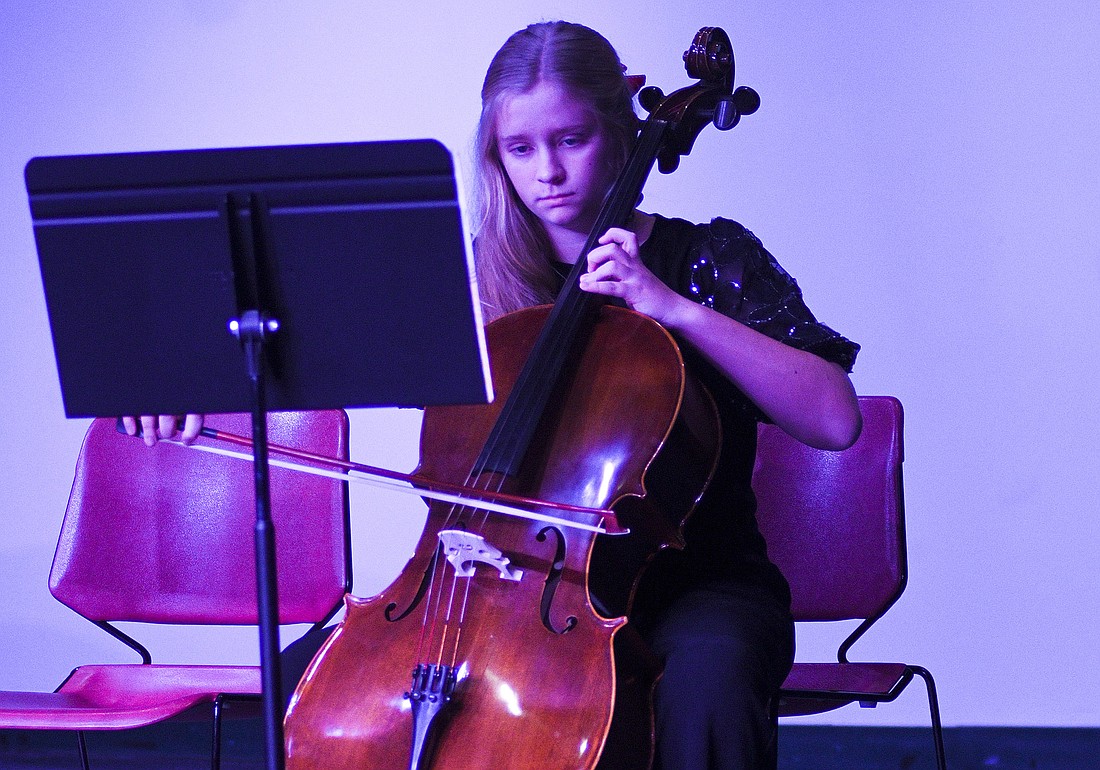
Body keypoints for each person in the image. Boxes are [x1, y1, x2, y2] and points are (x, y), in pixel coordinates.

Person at [125, 20, 861, 770]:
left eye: (571, 139)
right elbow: (326, 359)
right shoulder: (477, 280)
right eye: (521, 148)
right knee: (301, 681)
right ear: (496, 156)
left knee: (708, 685)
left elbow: (834, 417)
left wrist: (671, 308)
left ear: (617, 125)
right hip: (495, 584)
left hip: (698, 584)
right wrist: (197, 395)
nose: (548, 170)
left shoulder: (708, 257)